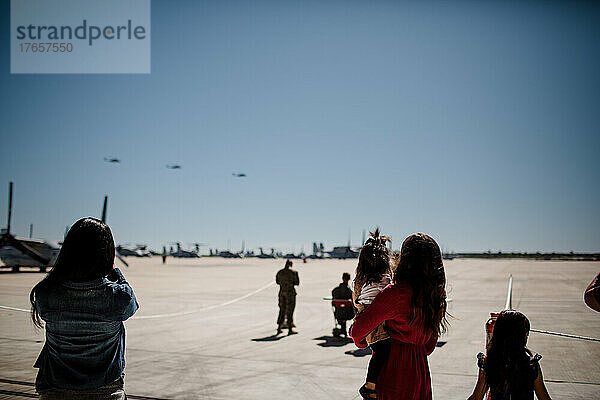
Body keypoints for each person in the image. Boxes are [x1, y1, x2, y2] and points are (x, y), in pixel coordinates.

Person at [29, 217, 139, 399]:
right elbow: (132, 307)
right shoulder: (119, 296)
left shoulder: (45, 293)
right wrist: (115, 271)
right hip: (105, 390)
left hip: (55, 390)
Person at [350, 233, 449, 400]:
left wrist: (363, 342)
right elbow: (429, 346)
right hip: (420, 373)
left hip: (393, 372)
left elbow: (357, 331)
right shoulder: (434, 297)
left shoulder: (395, 294)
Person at [467, 310, 552, 400]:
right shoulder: (531, 366)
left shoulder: (489, 364)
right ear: (522, 337)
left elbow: (477, 397)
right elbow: (544, 398)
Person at [352, 229, 394, 399]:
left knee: (381, 351)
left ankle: (372, 384)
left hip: (372, 313)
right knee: (382, 350)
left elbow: (355, 298)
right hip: (373, 316)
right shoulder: (379, 277)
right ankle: (370, 386)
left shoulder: (365, 277)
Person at [276, 259, 299, 335]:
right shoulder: (293, 272)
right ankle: (290, 328)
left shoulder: (280, 272)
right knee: (290, 310)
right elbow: (297, 283)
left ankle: (279, 327)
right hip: (290, 293)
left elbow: (277, 282)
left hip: (282, 292)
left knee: (282, 309)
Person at [331, 272, 354, 336]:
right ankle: (344, 329)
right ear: (349, 279)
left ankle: (342, 329)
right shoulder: (350, 291)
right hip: (348, 313)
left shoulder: (335, 290)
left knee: (341, 311)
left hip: (338, 312)